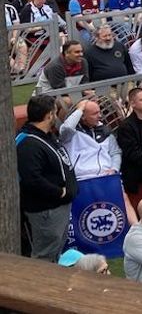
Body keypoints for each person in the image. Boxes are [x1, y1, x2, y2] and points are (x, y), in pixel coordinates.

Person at [16, 93, 77, 262]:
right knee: (45, 255)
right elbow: (32, 179)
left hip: (56, 208)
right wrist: (59, 192)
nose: (55, 117)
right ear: (49, 115)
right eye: (55, 113)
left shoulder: (46, 135)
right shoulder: (29, 143)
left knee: (55, 251)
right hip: (46, 210)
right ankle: (40, 287)